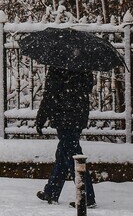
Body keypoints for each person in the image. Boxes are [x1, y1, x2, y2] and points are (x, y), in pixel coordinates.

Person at [35, 67, 96, 206]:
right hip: (78, 116)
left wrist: (41, 118)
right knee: (63, 153)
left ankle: (87, 196)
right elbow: (87, 88)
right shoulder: (83, 67)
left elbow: (50, 95)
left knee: (73, 154)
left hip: (63, 117)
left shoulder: (57, 67)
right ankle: (52, 191)